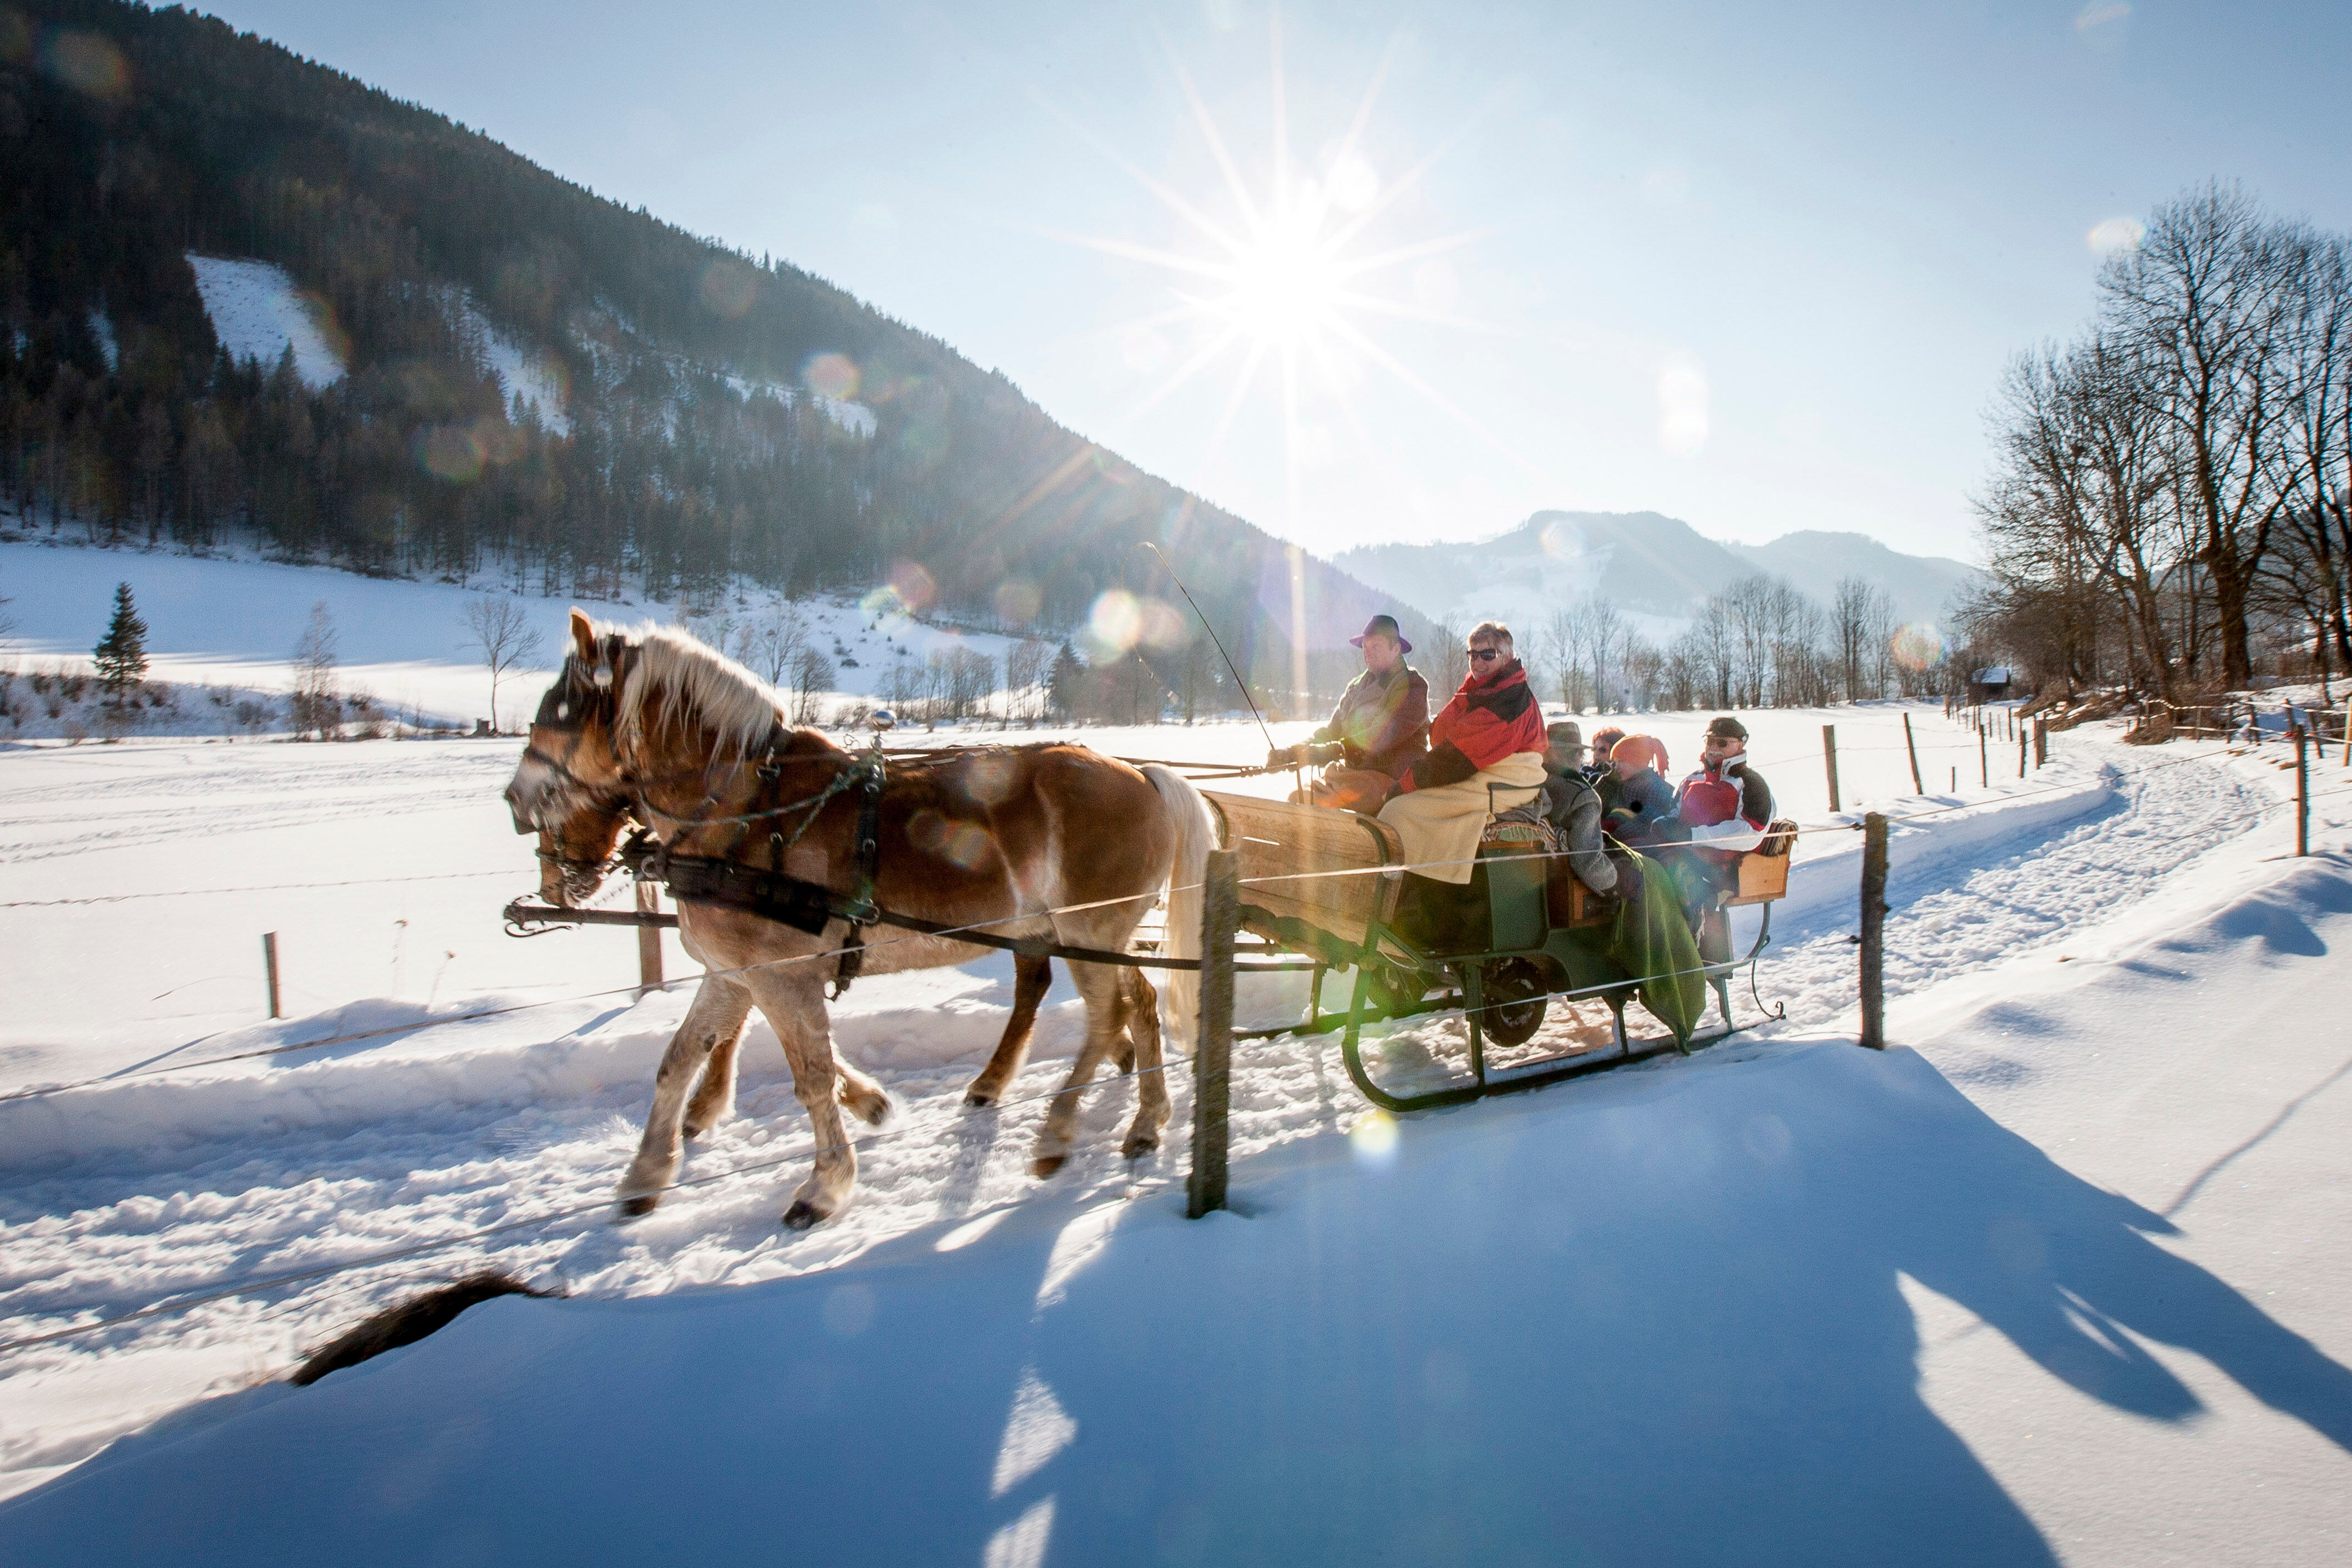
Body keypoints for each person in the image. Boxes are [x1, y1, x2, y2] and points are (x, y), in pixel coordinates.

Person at [1375, 620, 1547, 885]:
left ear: (1507, 656)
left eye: (1487, 655)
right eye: (1472, 654)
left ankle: (1411, 890)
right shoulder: (1485, 690)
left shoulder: (1508, 701)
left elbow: (1454, 760)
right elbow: (1442, 736)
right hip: (1484, 770)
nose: (1478, 663)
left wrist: (1404, 785)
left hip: (1505, 781)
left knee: (1398, 812)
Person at [1267, 613, 1429, 813]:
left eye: (1376, 646)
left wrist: (1337, 750)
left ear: (1396, 649)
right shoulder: (1357, 686)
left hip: (1391, 780)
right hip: (1351, 775)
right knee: (1298, 798)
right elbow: (1332, 731)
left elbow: (1383, 734)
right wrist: (1294, 753)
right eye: (1365, 647)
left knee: (1332, 805)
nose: (1368, 653)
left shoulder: (1412, 685)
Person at [1672, 715, 1777, 959]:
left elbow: (1751, 832)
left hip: (1723, 868)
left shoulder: (1751, 784)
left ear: (1741, 745)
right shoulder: (1692, 779)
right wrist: (1664, 825)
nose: (1714, 749)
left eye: (1722, 743)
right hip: (1686, 858)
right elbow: (1675, 813)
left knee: (1681, 879)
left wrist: (1694, 835)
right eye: (1709, 741)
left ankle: (1688, 950)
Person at [1600, 735, 1681, 847]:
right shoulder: (1620, 782)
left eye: (1621, 762)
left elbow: (1645, 822)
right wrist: (1608, 781)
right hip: (1610, 836)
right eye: (1614, 763)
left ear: (1636, 762)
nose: (1616, 768)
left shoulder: (1655, 787)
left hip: (1641, 844)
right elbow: (1598, 801)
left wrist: (1613, 838)